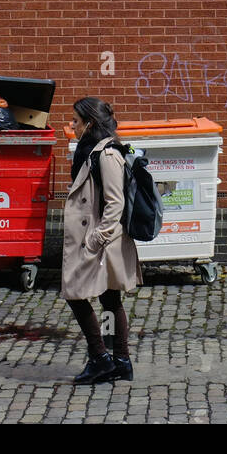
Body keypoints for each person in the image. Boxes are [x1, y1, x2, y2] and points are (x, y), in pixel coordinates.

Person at [62, 96, 142, 383]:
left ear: (90, 123)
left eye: (75, 120)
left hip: (101, 240)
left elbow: (115, 203)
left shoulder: (106, 154)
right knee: (110, 298)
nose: (71, 125)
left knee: (75, 293)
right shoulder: (89, 150)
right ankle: (120, 361)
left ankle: (100, 357)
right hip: (96, 237)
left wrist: (96, 240)